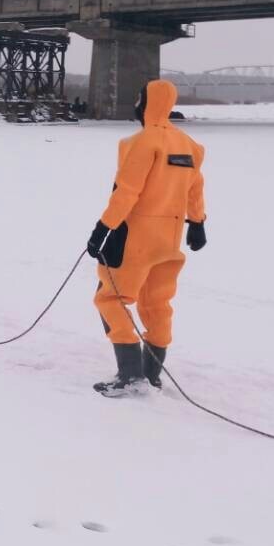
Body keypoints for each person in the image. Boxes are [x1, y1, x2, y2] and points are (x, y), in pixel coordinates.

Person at [86, 79, 206, 397]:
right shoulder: (190, 145)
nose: (136, 104)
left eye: (139, 99)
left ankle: (130, 375)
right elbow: (195, 190)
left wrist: (103, 228)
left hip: (134, 236)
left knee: (110, 298)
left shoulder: (141, 142)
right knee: (157, 304)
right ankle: (151, 375)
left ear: (145, 102)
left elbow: (127, 192)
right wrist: (198, 223)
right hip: (170, 239)